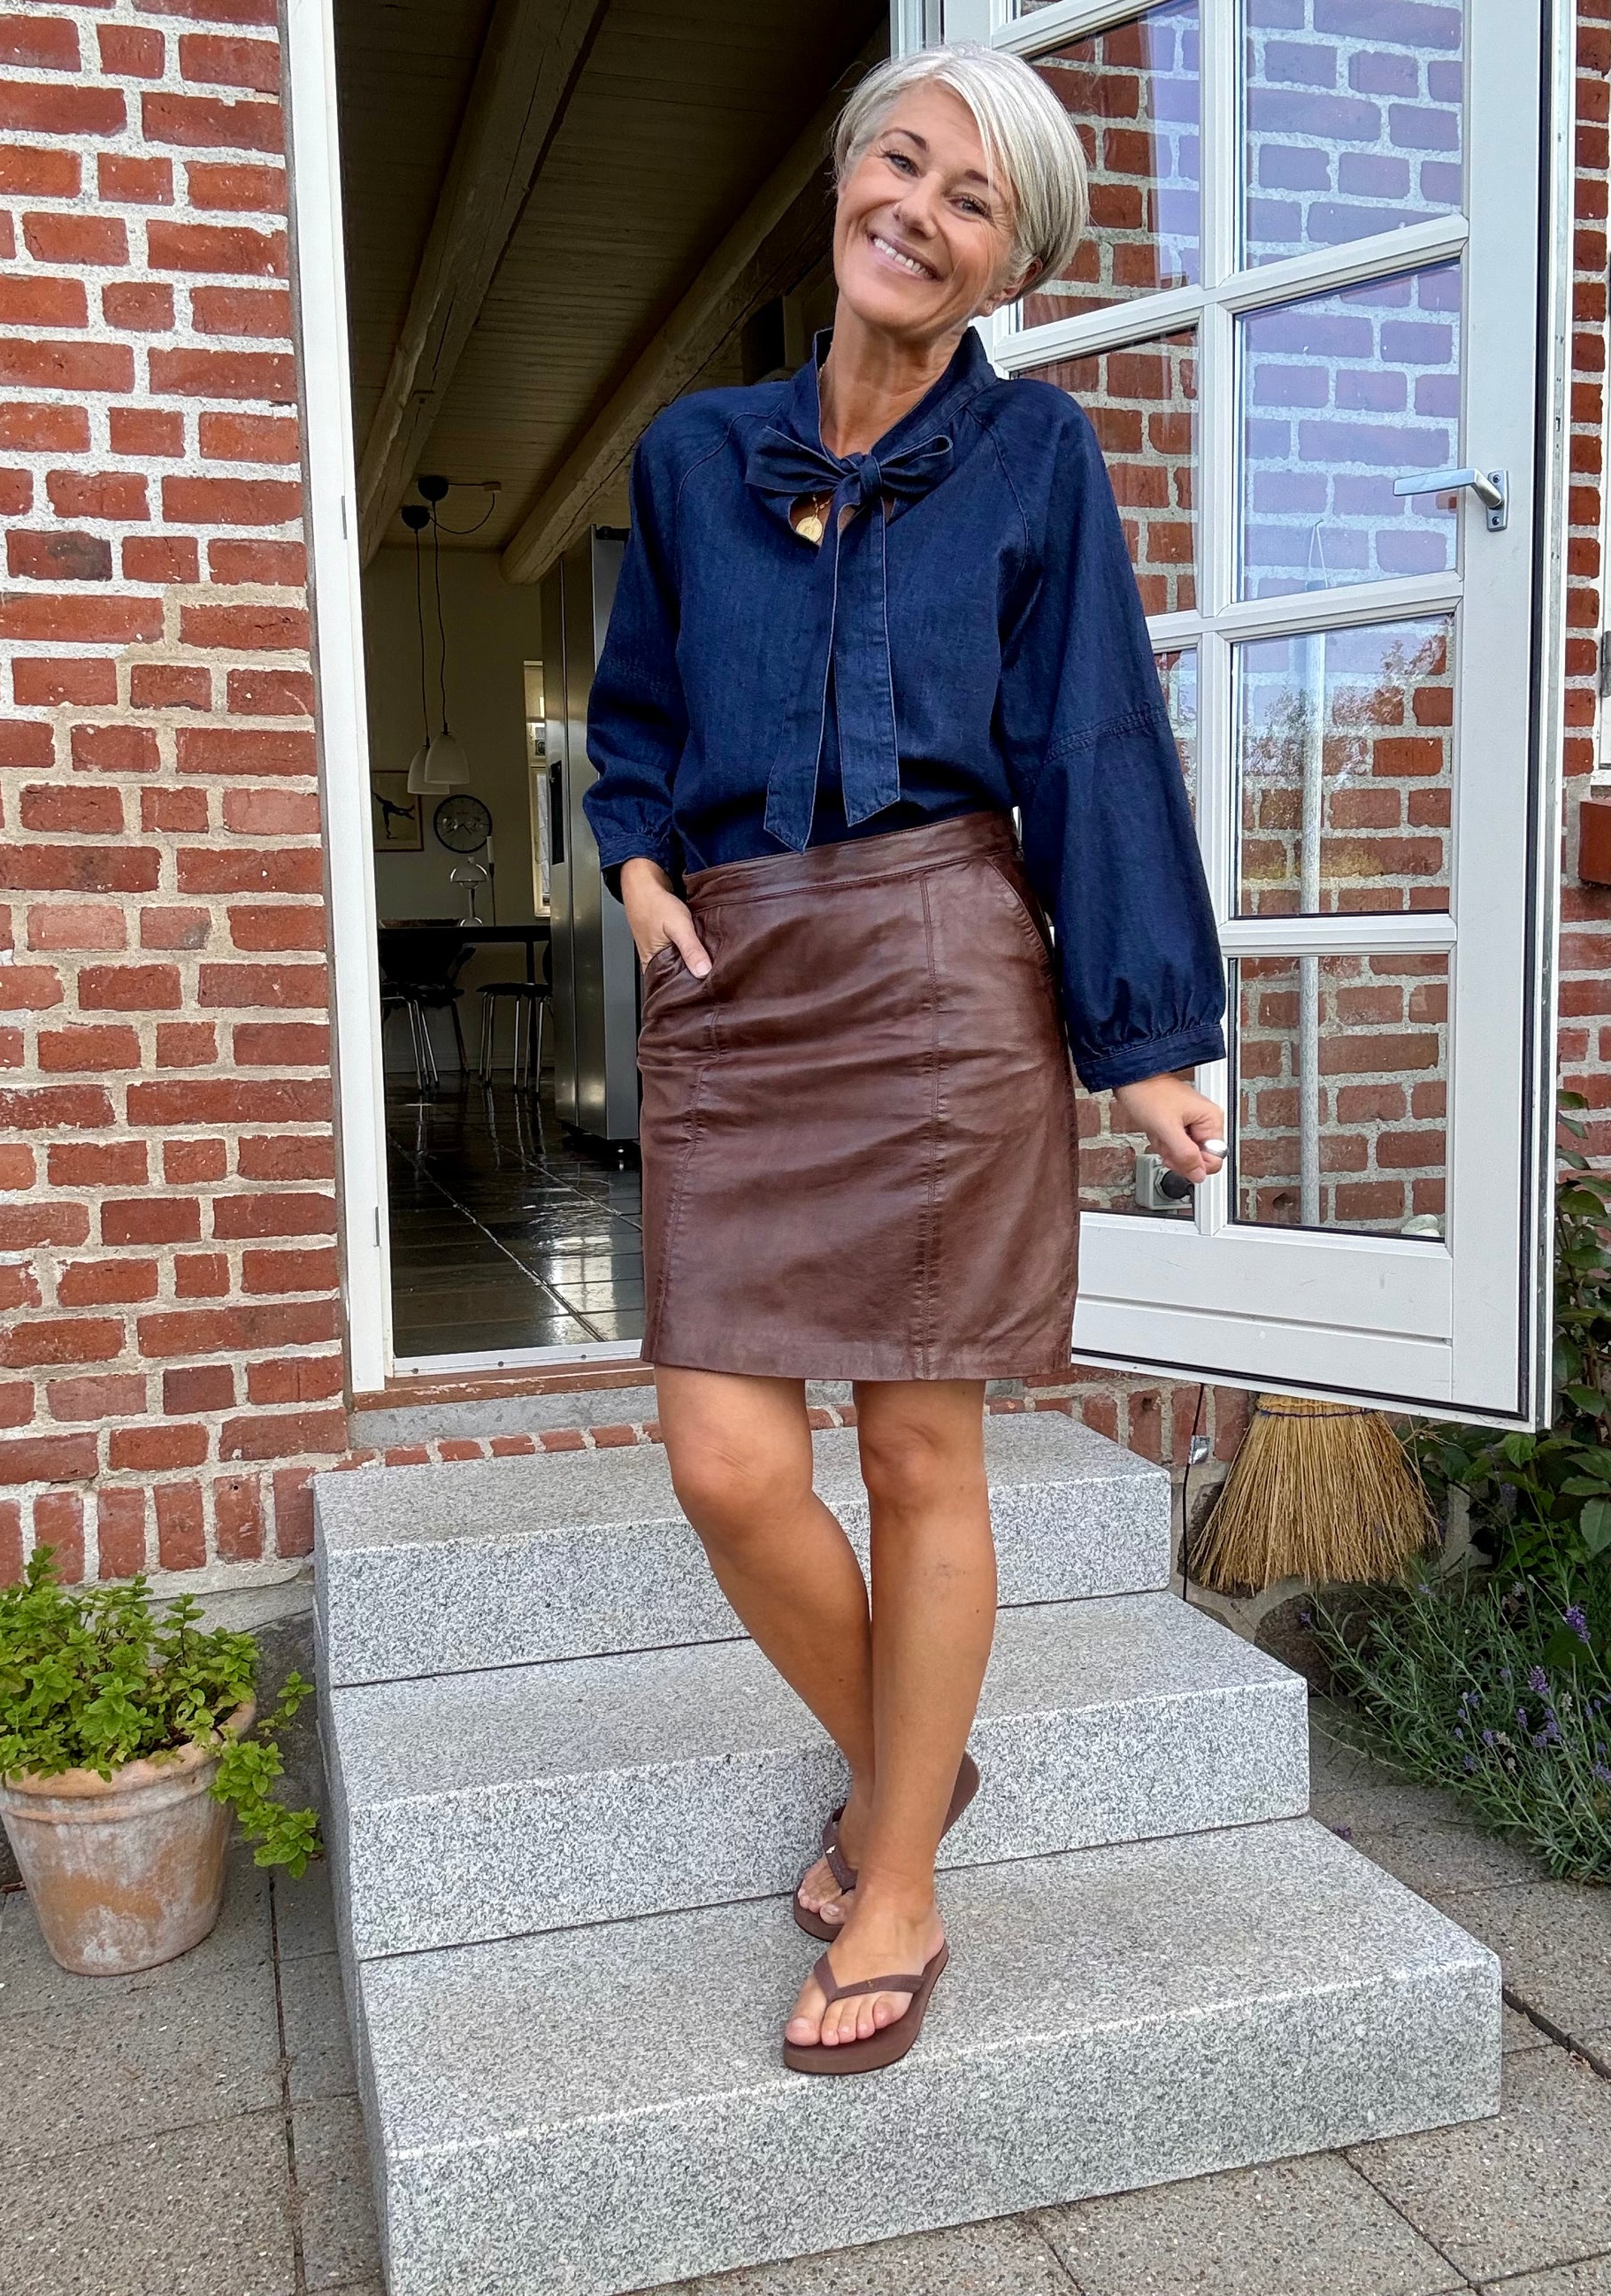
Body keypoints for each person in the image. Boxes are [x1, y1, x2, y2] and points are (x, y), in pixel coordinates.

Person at [584, 42, 1226, 2076]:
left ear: (1008, 261)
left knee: (917, 1451)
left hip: (943, 973)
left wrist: (1143, 1034)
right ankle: (904, 1769)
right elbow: (633, 711)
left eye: (974, 200)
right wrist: (637, 871)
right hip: (737, 979)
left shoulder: (1035, 456)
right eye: (904, 161)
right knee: (725, 1458)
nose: (920, 212)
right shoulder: (694, 453)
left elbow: (1093, 731)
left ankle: (903, 1878)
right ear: (848, 174)